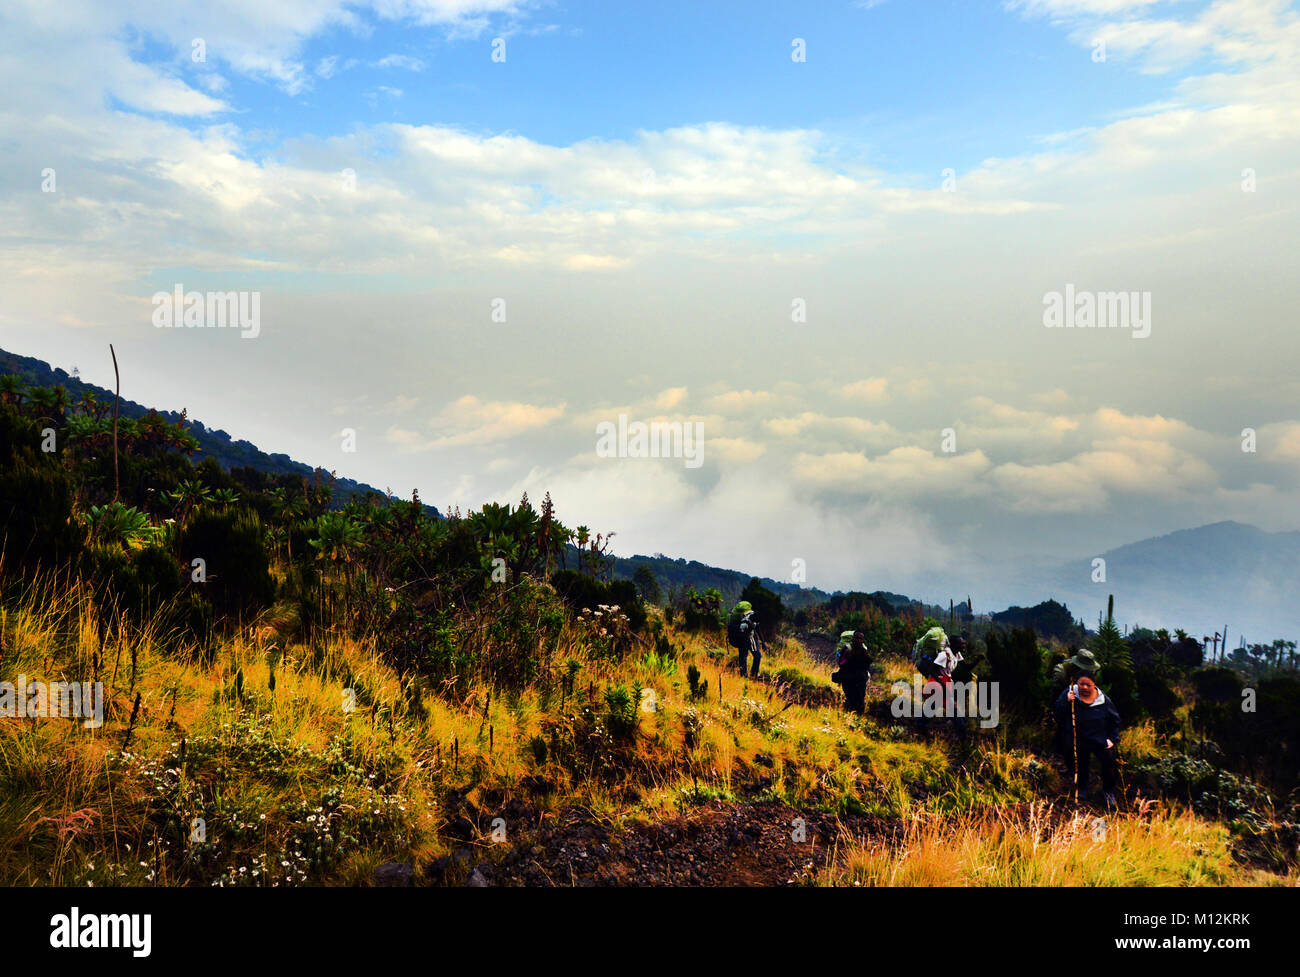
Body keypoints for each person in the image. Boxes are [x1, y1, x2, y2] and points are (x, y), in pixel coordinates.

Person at [1053, 664, 1121, 807]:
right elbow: (1058, 713)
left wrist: (1112, 739)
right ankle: (1082, 787)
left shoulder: (1103, 700)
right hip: (1078, 737)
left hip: (1099, 738)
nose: (1084, 687)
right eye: (1081, 684)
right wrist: (1066, 701)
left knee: (1108, 761)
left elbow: (1115, 720)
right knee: (1080, 762)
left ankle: (1108, 791)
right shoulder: (1071, 693)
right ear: (1077, 684)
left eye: (1088, 685)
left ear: (1094, 685)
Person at [836, 630, 874, 714]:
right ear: (853, 638)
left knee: (860, 698)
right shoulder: (847, 649)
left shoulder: (864, 650)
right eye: (857, 638)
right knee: (850, 696)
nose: (858, 640)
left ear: (862, 640)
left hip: (859, 678)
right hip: (849, 678)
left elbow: (868, 663)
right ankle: (850, 716)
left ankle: (856, 716)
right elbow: (841, 663)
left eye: (860, 638)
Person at [727, 600, 762, 677]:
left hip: (743, 638)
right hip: (746, 637)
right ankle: (754, 674)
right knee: (757, 655)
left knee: (743, 656)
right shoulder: (745, 623)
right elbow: (743, 630)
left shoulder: (751, 617)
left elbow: (757, 628)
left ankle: (743, 675)